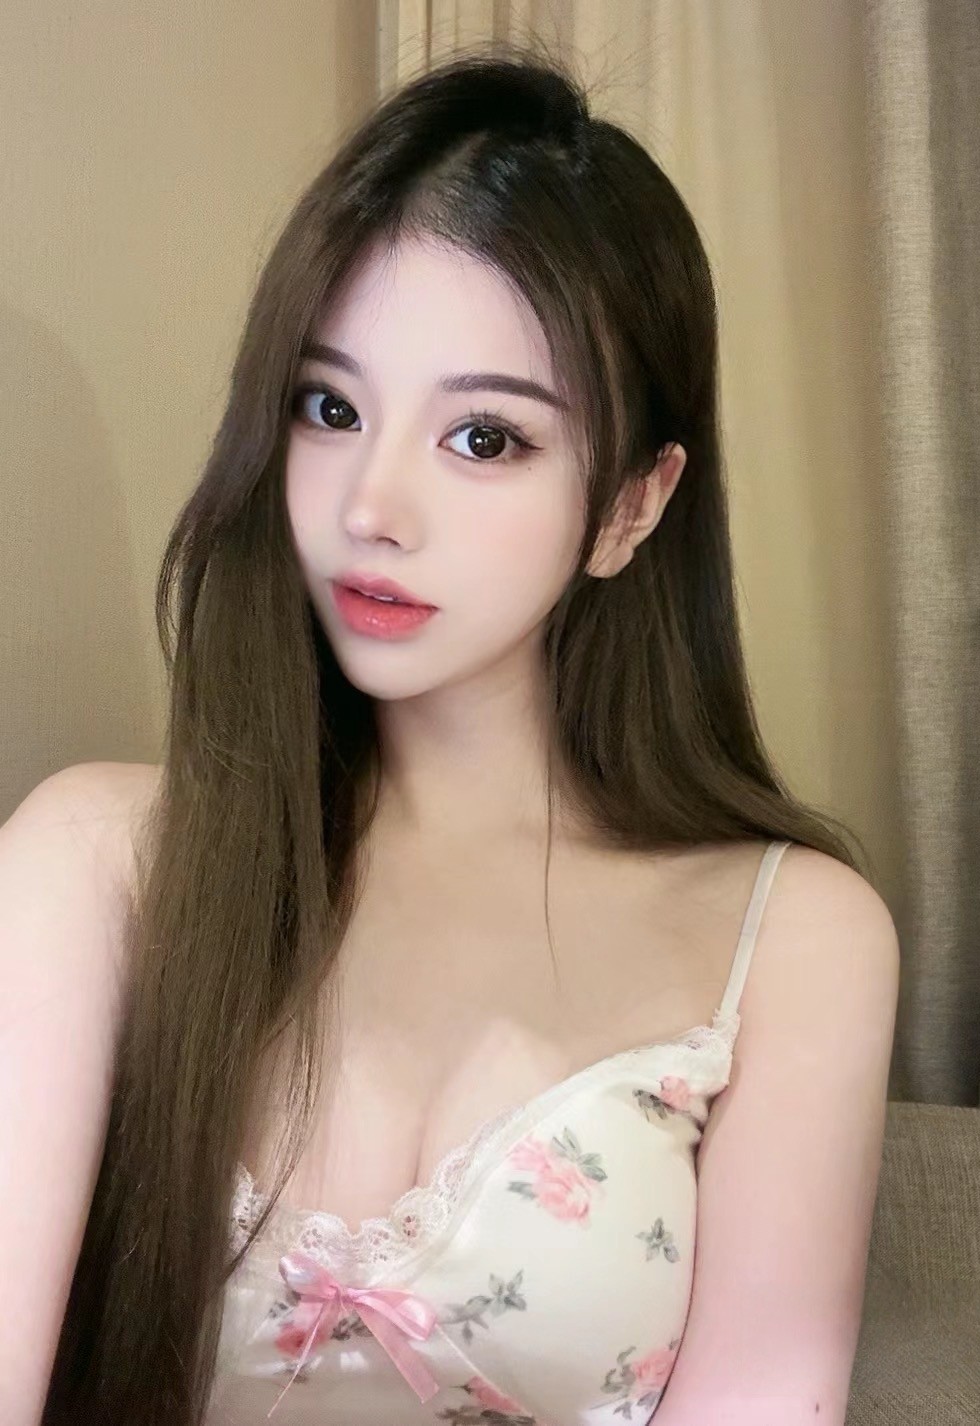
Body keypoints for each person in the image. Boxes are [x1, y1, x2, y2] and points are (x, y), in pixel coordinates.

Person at [3, 37, 900, 1426]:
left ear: (632, 505)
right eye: (330, 407)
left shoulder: (791, 939)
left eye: (484, 438)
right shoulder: (99, 861)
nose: (372, 505)